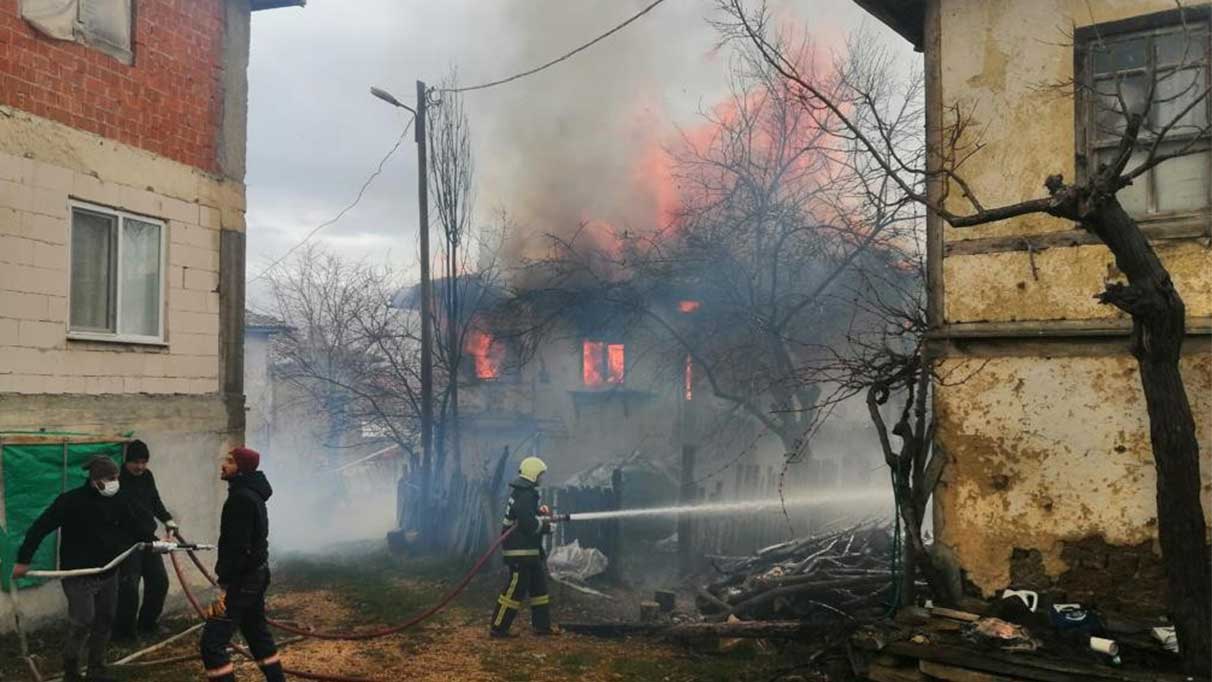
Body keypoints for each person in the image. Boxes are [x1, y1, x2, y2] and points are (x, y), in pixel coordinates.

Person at [11, 455, 154, 682]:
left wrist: (153, 540)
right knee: (83, 621)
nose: (115, 482)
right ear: (95, 480)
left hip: (108, 571)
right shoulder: (71, 501)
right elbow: (40, 527)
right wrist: (23, 560)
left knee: (105, 619)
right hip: (78, 575)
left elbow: (139, 525)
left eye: (116, 477)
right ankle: (71, 672)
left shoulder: (120, 499)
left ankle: (96, 669)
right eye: (110, 478)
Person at [200, 446, 284, 682]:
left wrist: (225, 585)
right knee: (257, 635)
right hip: (254, 576)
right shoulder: (250, 493)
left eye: (229, 461)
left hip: (241, 580)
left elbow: (238, 547)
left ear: (241, 468)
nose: (223, 464)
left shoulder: (241, 499)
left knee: (212, 643)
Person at [114, 439, 176, 640]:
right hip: (127, 542)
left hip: (149, 539)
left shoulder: (147, 476)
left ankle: (148, 624)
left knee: (159, 582)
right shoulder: (117, 481)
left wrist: (167, 519)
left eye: (144, 462)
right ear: (127, 461)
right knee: (129, 587)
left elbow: (155, 500)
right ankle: (124, 633)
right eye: (136, 462)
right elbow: (127, 515)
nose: (140, 467)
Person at [489, 455, 558, 638]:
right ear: (533, 474)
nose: (542, 478)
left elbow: (526, 514)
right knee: (515, 590)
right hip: (519, 552)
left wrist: (539, 511)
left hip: (528, 551)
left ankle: (542, 626)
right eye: (540, 475)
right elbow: (527, 523)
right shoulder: (526, 494)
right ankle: (498, 627)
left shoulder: (524, 493)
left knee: (539, 589)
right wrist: (546, 526)